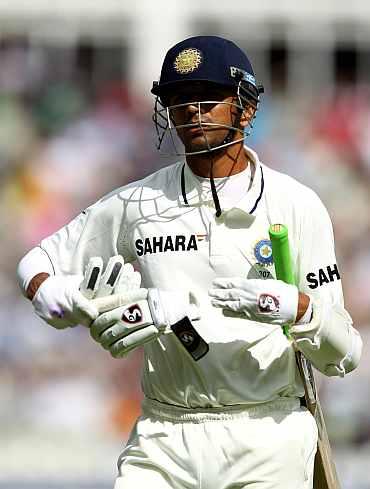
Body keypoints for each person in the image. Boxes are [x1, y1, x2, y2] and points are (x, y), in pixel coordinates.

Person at [17, 35, 362, 489]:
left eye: (208, 97)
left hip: (267, 433)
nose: (192, 111)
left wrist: (297, 309)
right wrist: (55, 297)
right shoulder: (139, 202)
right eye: (179, 100)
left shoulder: (296, 205)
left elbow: (346, 353)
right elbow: (37, 262)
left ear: (246, 107)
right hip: (164, 434)